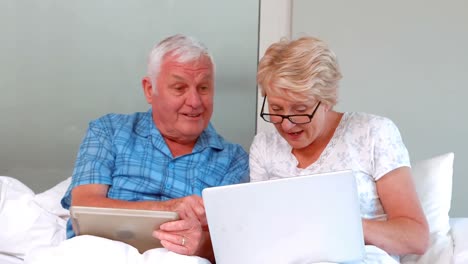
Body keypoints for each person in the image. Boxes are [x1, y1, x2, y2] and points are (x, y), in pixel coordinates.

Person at [59, 34, 249, 262]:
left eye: (204, 87)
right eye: (179, 88)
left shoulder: (233, 160)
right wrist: (168, 208)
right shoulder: (108, 131)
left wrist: (199, 245)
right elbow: (84, 207)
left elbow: (231, 243)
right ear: (150, 90)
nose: (195, 101)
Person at [250, 36, 429, 263]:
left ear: (327, 101)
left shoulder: (372, 133)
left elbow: (416, 237)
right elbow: (257, 233)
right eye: (276, 108)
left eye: (300, 109)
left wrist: (341, 225)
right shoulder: (264, 147)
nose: (286, 124)